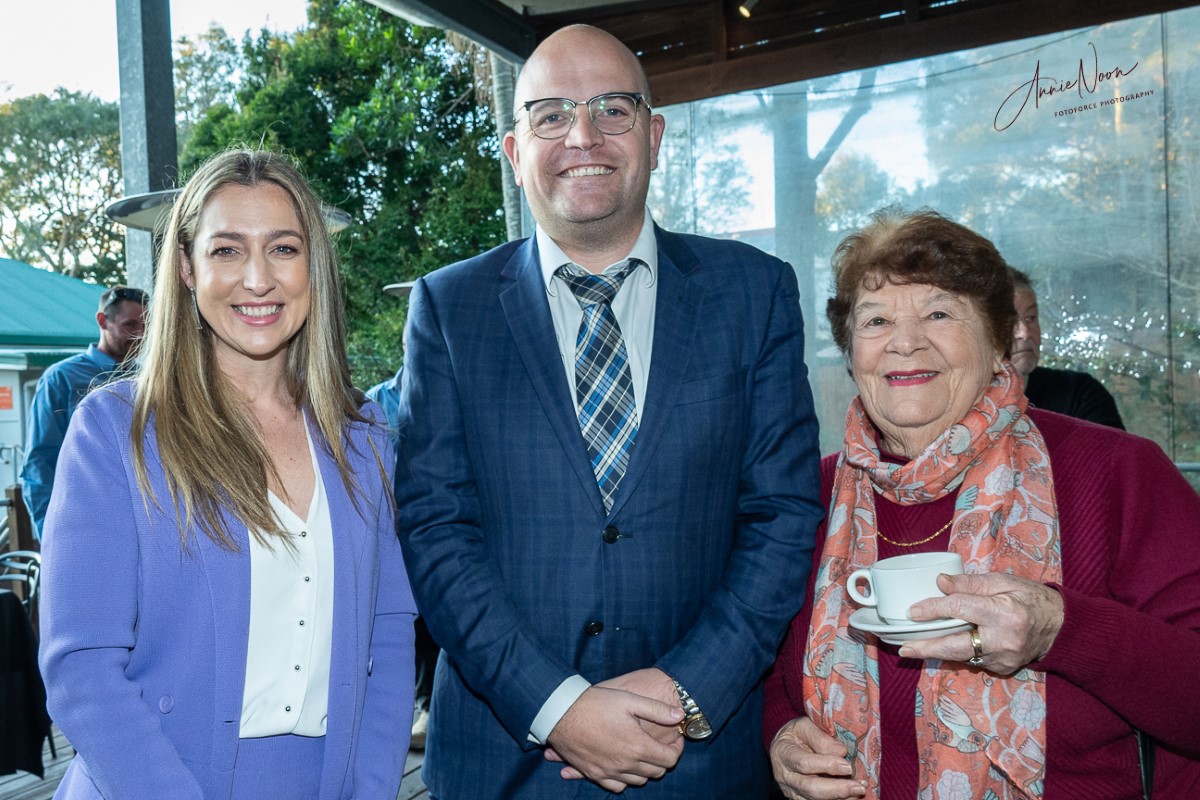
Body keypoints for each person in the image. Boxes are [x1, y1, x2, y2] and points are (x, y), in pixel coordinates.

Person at [395, 23, 823, 800]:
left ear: (653, 135)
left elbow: (783, 514)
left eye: (613, 109)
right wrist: (558, 707)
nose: (582, 136)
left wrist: (682, 691)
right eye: (551, 115)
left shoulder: (753, 293)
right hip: (506, 760)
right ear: (514, 148)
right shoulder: (449, 307)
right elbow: (434, 528)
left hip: (698, 754)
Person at [764, 208, 1200, 799]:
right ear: (849, 353)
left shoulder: (1116, 473)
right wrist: (780, 737)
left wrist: (1060, 631)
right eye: (876, 320)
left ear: (1000, 341)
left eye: (939, 313)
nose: (905, 341)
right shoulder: (808, 496)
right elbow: (769, 678)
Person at [39, 149, 417, 800]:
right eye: (226, 251)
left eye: (284, 248)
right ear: (185, 267)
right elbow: (83, 670)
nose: (258, 278)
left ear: (313, 265)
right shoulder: (116, 431)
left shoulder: (363, 436)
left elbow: (387, 635)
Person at [20, 285, 147, 539]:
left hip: (139, 525)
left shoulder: (146, 379)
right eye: (130, 325)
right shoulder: (61, 378)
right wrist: (51, 536)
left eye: (146, 325)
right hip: (81, 523)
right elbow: (40, 464)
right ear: (102, 321)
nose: (140, 334)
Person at [365, 363, 438, 751]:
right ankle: (424, 706)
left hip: (443, 525)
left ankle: (434, 707)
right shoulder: (379, 399)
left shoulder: (446, 385)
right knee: (411, 624)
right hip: (397, 531)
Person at [1010, 267, 1125, 428]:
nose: (1025, 332)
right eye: (1009, 322)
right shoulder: (964, 406)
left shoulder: (1079, 394)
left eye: (1031, 318)